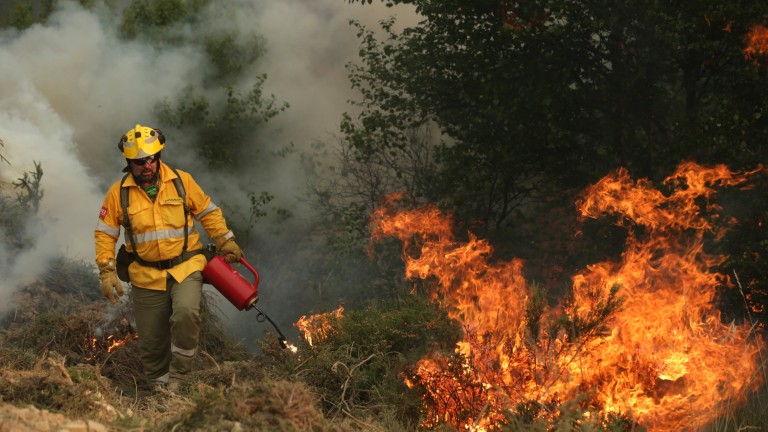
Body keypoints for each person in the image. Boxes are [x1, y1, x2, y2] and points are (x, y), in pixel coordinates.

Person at [94, 123, 243, 390]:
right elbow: (105, 234)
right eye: (139, 162)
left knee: (186, 313)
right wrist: (107, 270)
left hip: (186, 266)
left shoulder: (181, 181)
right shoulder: (118, 194)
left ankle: (180, 380)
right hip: (146, 274)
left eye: (151, 159)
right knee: (151, 340)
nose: (146, 166)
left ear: (159, 156)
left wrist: (226, 240)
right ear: (129, 163)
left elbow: (208, 213)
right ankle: (159, 390)